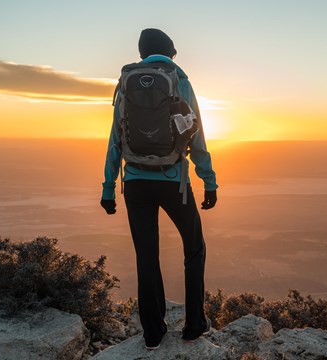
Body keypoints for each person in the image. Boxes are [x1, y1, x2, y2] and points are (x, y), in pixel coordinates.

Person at [100, 28, 218, 350]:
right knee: (194, 248)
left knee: (146, 255)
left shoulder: (126, 84)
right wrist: (209, 181)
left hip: (135, 184)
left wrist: (108, 188)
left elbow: (116, 139)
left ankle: (153, 332)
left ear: (142, 54)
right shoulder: (179, 81)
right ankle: (194, 325)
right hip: (172, 183)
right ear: (171, 53)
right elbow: (196, 136)